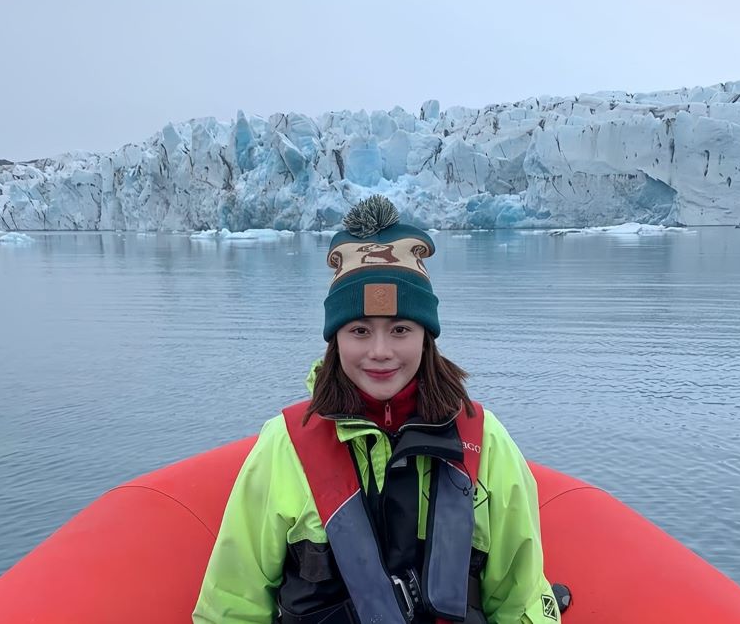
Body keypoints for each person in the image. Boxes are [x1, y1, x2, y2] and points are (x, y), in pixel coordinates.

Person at [193, 195, 560, 623]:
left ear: (426, 337)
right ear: (335, 340)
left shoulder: (485, 442)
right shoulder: (284, 447)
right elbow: (233, 603)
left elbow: (520, 599)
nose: (380, 352)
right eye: (360, 330)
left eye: (400, 329)